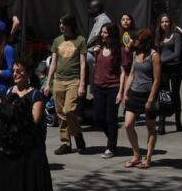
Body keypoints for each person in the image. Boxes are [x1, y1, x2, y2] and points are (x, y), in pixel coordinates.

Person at [119, 29, 161, 169]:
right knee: (128, 125)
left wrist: (150, 100)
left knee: (151, 128)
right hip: (134, 94)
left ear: (145, 42)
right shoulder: (136, 53)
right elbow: (131, 73)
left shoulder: (154, 55)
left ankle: (147, 158)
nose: (134, 42)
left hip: (149, 94)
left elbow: (156, 80)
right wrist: (126, 91)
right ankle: (136, 155)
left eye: (137, 40)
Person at [45, 14, 87, 156]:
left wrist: (82, 84)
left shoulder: (80, 40)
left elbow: (83, 64)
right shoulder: (57, 41)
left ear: (70, 25)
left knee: (69, 111)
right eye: (60, 23)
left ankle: (78, 135)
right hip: (58, 81)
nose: (61, 26)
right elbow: (53, 64)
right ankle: (65, 143)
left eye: (63, 23)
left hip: (73, 81)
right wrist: (48, 82)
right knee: (61, 114)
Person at [87, 23, 122, 158]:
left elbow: (122, 71)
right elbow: (98, 67)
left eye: (105, 33)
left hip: (113, 87)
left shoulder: (118, 50)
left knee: (111, 119)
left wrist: (121, 91)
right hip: (99, 87)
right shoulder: (99, 49)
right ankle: (111, 138)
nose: (102, 35)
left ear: (111, 34)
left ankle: (111, 146)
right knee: (97, 117)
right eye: (102, 32)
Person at [155, 12, 182, 134]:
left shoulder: (176, 35)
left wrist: (161, 60)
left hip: (175, 68)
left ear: (170, 22)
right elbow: (157, 51)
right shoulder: (159, 36)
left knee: (175, 93)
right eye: (162, 22)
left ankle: (178, 122)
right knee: (164, 94)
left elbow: (176, 53)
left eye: (166, 21)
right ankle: (162, 124)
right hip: (163, 69)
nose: (164, 24)